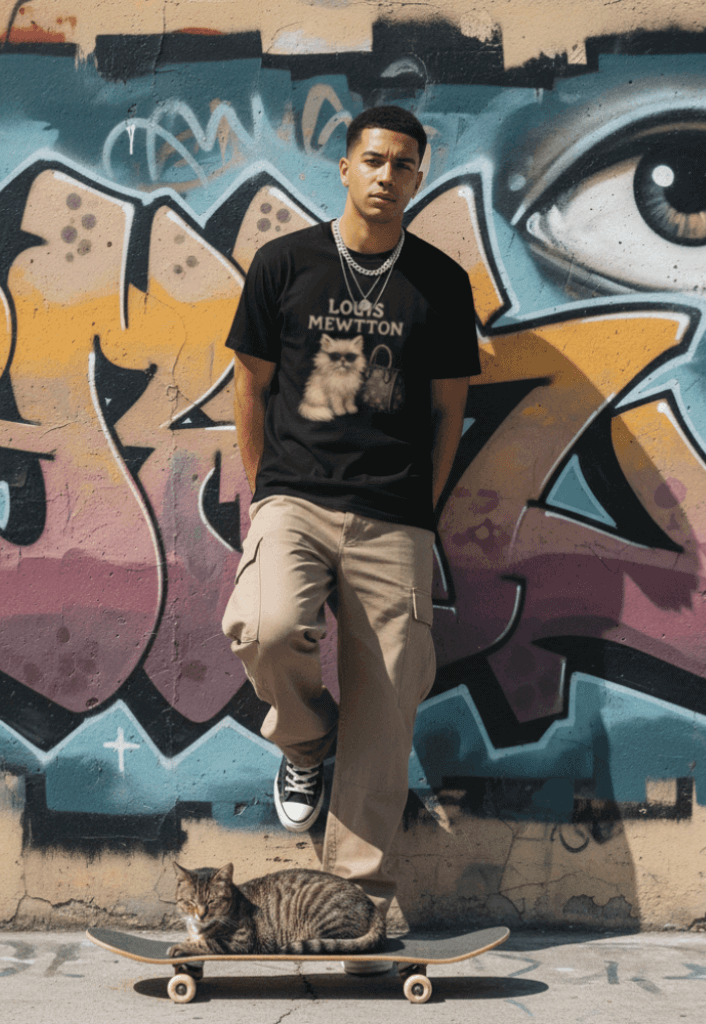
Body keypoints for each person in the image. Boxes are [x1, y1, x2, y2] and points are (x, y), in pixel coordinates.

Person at [222, 105, 480, 968]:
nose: (387, 175)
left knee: (391, 696)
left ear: (418, 177)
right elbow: (250, 390)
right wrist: (264, 497)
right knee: (262, 624)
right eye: (373, 159)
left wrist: (423, 507)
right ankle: (302, 742)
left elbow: (450, 409)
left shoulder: (439, 282)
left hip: (396, 516)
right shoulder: (284, 264)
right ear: (343, 165)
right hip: (293, 498)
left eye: (404, 165)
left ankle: (360, 904)